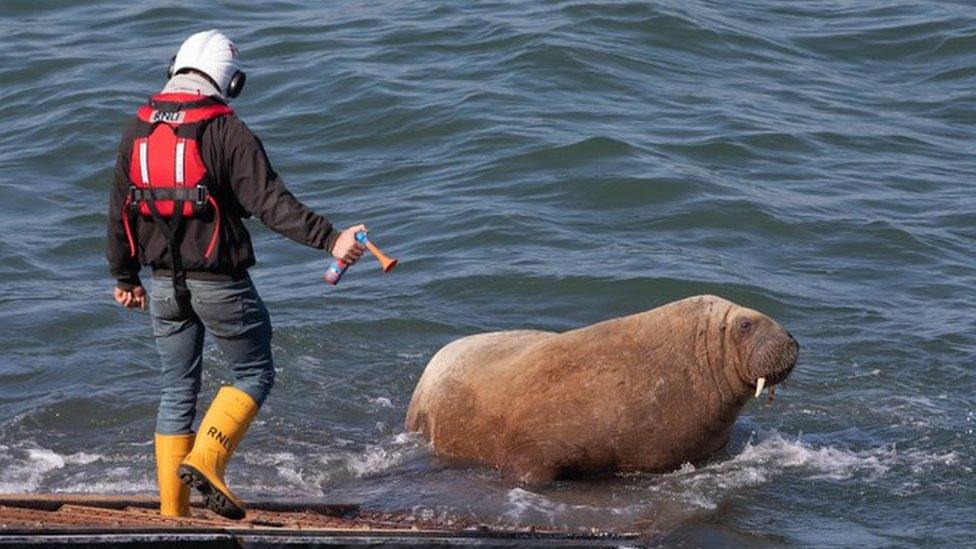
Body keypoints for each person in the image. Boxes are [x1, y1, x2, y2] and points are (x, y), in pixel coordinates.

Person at [106, 29, 366, 520]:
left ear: (174, 67)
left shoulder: (135, 129)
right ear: (232, 82)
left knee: (176, 388)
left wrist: (125, 278)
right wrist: (331, 239)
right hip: (220, 284)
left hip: (162, 286)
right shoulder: (227, 130)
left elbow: (119, 210)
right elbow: (271, 204)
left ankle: (172, 515)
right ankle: (208, 460)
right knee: (254, 372)